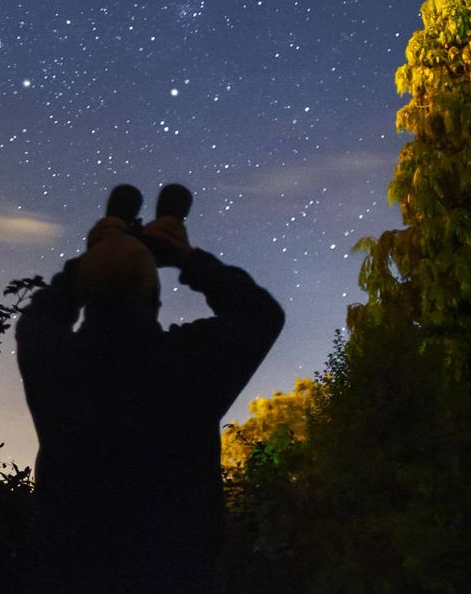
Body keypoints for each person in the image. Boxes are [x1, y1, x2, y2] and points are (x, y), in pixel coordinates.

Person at [16, 208, 285, 592]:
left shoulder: (53, 363)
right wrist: (186, 258)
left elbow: (40, 315)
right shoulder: (190, 365)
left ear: (84, 292)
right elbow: (260, 314)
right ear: (156, 297)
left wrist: (97, 252)